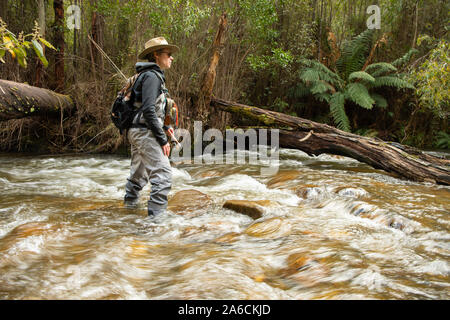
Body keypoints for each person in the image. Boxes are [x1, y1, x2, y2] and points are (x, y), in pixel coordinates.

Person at [123, 37, 179, 217]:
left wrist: (164, 126)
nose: (171, 58)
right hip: (144, 133)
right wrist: (163, 140)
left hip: (136, 131)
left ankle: (128, 212)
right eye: (168, 54)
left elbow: (145, 108)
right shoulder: (152, 77)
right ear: (156, 55)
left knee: (138, 176)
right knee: (163, 176)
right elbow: (148, 110)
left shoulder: (146, 75)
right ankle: (156, 225)